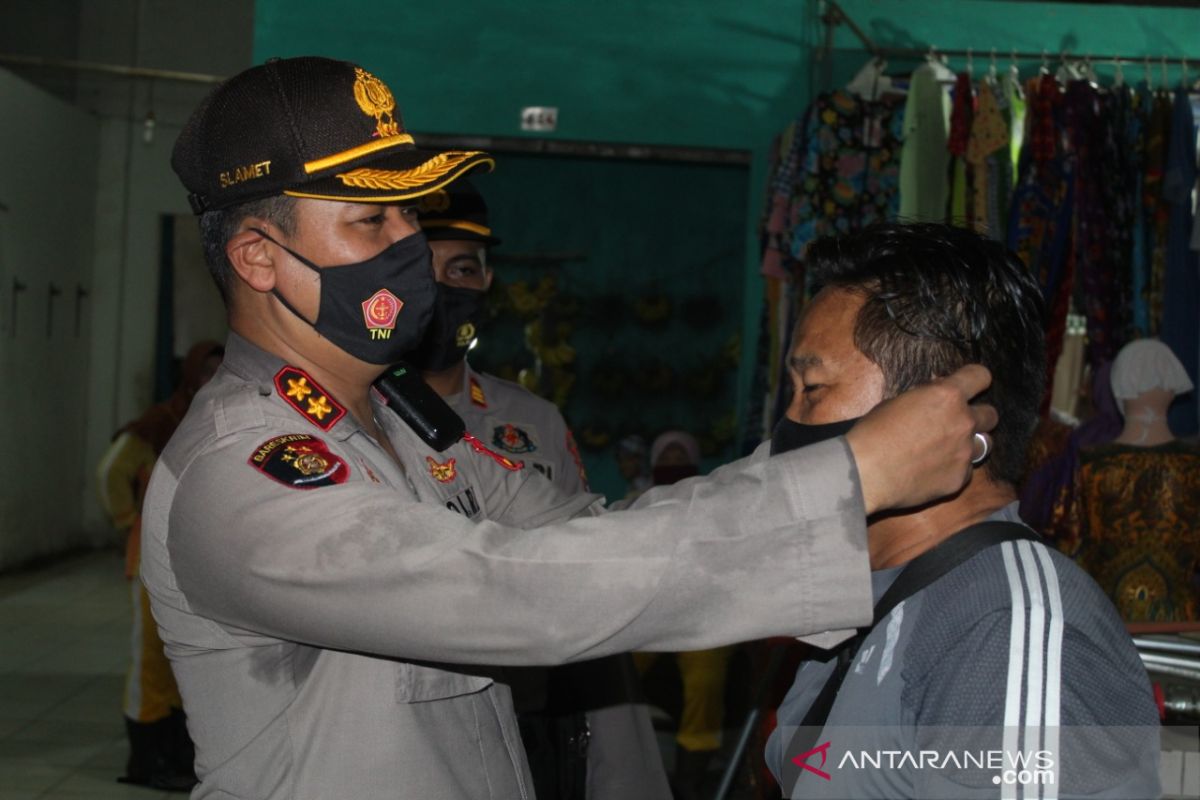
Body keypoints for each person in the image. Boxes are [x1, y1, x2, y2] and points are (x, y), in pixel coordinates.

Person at [145, 56, 997, 800]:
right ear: (258, 257)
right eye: (373, 220)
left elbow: (590, 536)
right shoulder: (246, 470)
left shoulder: (399, 415)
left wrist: (828, 456)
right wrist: (852, 476)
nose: (410, 241)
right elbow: (518, 590)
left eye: (411, 211)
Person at [764, 223, 1160, 799]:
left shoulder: (1002, 628)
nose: (787, 427)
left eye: (813, 389)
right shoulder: (880, 594)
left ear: (940, 411)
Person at [411, 179, 670, 799]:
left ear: (489, 283)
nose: (447, 288)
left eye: (464, 268)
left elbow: (588, 580)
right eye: (424, 268)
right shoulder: (355, 416)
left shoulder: (531, 420)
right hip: (417, 724)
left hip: (533, 722)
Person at [96, 340, 222, 791]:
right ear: (189, 376)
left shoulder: (217, 421)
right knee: (149, 660)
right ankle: (145, 759)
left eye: (219, 371)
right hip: (151, 557)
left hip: (195, 561)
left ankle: (174, 753)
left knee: (178, 659)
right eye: (205, 372)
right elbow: (112, 471)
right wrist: (130, 521)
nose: (213, 380)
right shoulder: (161, 423)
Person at [1054, 338, 1199, 621]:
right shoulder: (1192, 466)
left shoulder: (1092, 465)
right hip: (1182, 622)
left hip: (1105, 620)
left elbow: (1069, 546)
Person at [634, 431, 735, 800]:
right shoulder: (635, 504)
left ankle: (690, 780)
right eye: (668, 456)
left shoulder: (716, 502)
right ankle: (619, 761)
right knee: (613, 672)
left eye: (682, 456)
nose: (675, 463)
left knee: (705, 683)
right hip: (645, 613)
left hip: (701, 615)